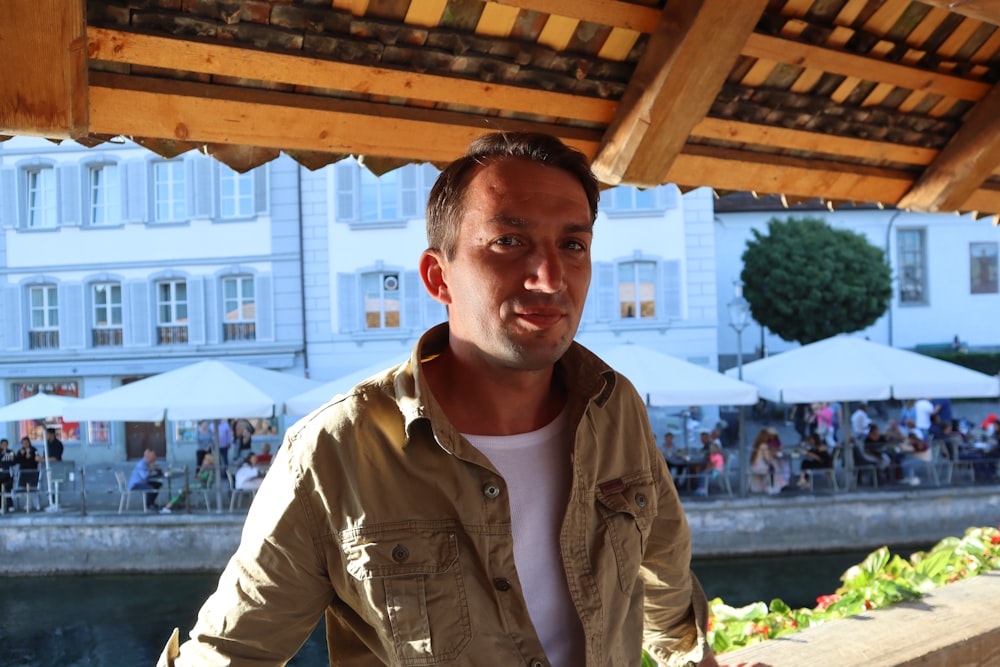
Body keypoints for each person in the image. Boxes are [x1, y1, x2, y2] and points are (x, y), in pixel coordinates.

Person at [158, 133, 735, 667]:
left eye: (573, 243)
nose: (549, 275)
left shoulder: (615, 406)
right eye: (509, 241)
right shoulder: (335, 452)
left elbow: (665, 576)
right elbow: (232, 652)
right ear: (438, 278)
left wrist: (693, 657)